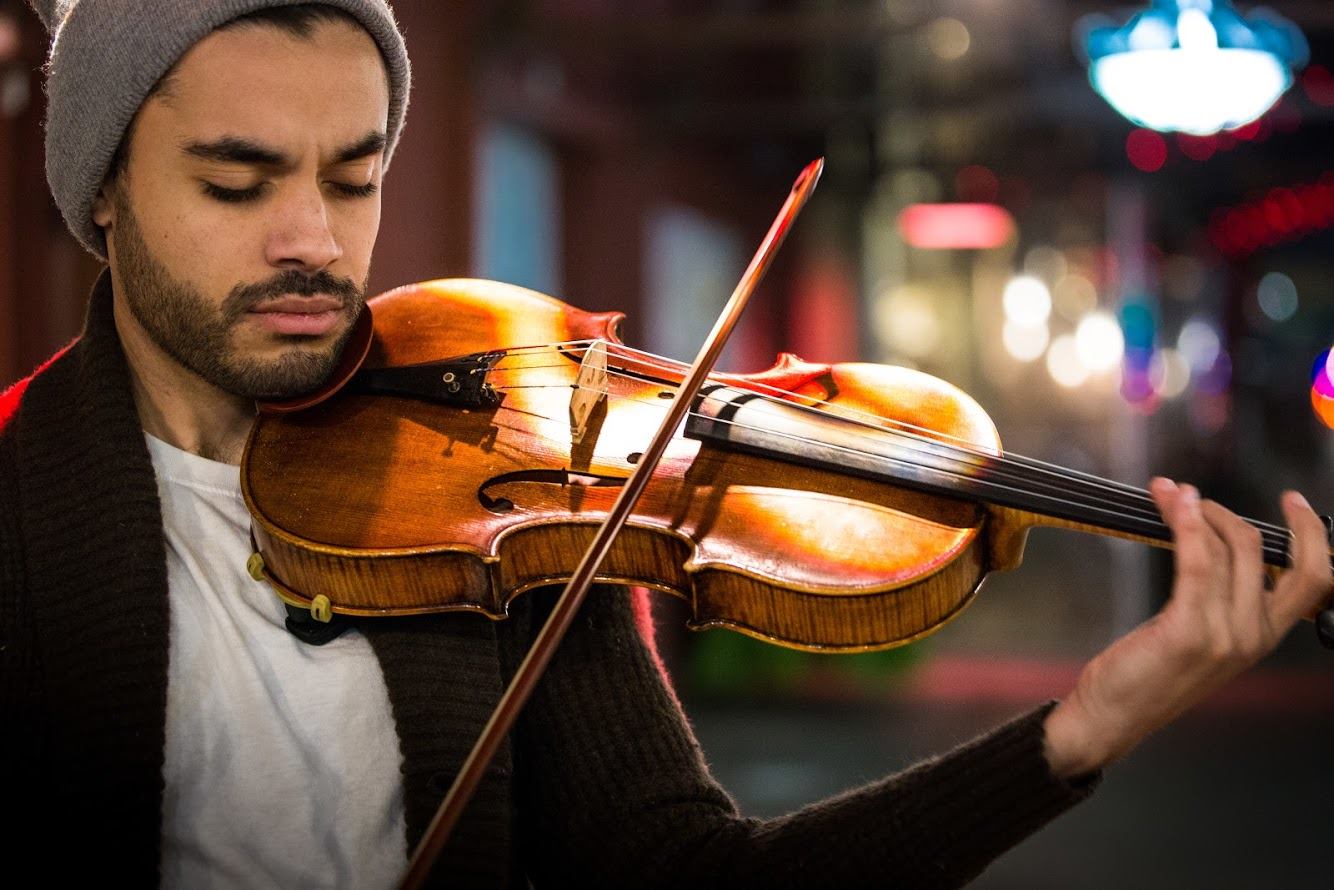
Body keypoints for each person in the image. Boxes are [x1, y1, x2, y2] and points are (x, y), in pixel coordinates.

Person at [1, 2, 1328, 888]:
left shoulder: (508, 520)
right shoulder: (16, 500)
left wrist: (1076, 732)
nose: (315, 238)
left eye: (353, 178)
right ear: (104, 186)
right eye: (237, 182)